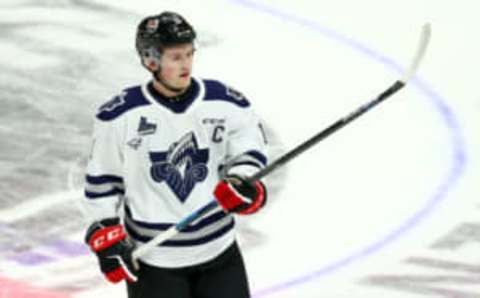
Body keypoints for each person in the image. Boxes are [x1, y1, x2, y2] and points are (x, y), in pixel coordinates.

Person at [81, 11, 269, 298]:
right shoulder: (119, 116)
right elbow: (103, 182)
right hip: (155, 263)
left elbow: (249, 146)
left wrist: (242, 182)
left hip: (219, 252)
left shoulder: (224, 101)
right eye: (176, 57)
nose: (186, 65)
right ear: (151, 60)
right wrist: (105, 236)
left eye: (189, 54)